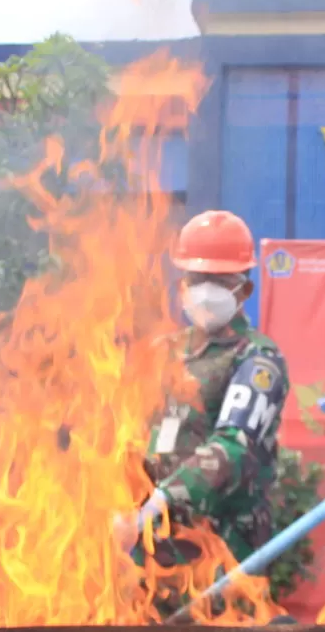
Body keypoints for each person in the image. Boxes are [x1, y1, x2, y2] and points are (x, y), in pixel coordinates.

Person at [120, 210, 290, 576]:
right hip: (150, 548)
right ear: (182, 284)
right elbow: (127, 430)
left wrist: (163, 499)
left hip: (221, 552)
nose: (206, 291)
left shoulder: (257, 359)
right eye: (198, 279)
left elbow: (234, 446)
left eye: (220, 280)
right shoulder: (160, 352)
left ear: (244, 289)